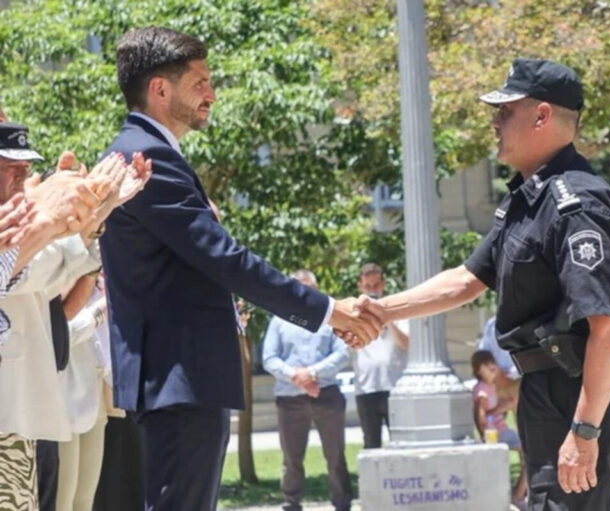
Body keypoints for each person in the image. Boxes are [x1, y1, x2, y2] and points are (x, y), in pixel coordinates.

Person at [98, 27, 381, 511]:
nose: (212, 93)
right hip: (177, 379)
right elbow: (226, 259)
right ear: (159, 89)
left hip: (181, 380)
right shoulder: (147, 158)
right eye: (199, 82)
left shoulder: (149, 152)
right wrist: (329, 310)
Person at [351, 58, 610, 511]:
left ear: (542, 116)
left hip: (577, 386)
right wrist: (382, 310)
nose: (494, 121)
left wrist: (585, 431)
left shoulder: (577, 204)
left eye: (505, 111)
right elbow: (467, 279)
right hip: (547, 382)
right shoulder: (529, 198)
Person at [0, 124, 147, 509]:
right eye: (9, 167)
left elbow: (46, 277)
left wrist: (94, 212)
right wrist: (59, 221)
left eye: (23, 167)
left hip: (17, 417)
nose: (20, 177)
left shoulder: (17, 231)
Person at [262, 269, 353, 511]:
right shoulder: (278, 320)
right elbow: (269, 358)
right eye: (296, 288)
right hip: (289, 399)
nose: (301, 294)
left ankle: (342, 503)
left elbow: (342, 353)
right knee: (291, 459)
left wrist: (312, 374)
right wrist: (296, 376)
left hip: (327, 395)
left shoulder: (331, 319)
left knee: (336, 457)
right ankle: (291, 503)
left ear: (316, 289)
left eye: (306, 288)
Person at [56, 273, 110, 511]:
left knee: (84, 501)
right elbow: (59, 333)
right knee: (62, 502)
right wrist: (102, 309)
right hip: (59, 397)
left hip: (93, 387)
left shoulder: (96, 270)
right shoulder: (60, 265)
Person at [350, 263, 409, 449]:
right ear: (360, 287)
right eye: (367, 287)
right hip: (366, 389)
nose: (372, 291)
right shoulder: (352, 316)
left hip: (394, 387)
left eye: (375, 286)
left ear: (382, 285)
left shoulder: (396, 311)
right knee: (371, 444)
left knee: (401, 443)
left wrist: (387, 317)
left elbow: (406, 344)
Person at [471, 350, 527, 509]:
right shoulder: (482, 389)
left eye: (492, 363)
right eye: (486, 365)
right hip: (496, 433)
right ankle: (518, 495)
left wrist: (504, 406)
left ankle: (518, 493)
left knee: (527, 455)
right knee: (530, 454)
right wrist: (485, 434)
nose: (491, 367)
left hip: (501, 431)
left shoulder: (489, 387)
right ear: (478, 370)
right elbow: (481, 415)